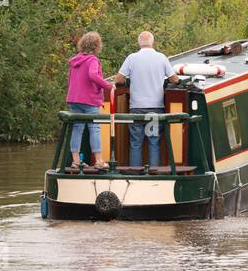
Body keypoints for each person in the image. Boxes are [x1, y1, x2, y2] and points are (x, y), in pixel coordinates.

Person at [113, 31, 178, 169]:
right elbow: (174, 79)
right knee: (154, 142)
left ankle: (135, 173)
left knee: (136, 142)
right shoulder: (161, 58)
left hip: (136, 108)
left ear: (139, 43)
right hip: (155, 108)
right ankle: (154, 173)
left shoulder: (132, 58)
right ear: (152, 42)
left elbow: (118, 79)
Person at [66, 31, 115, 171]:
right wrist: (108, 86)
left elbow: (70, 80)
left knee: (77, 129)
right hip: (89, 99)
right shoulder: (92, 60)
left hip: (74, 99)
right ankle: (99, 160)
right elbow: (93, 75)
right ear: (97, 46)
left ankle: (75, 161)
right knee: (94, 128)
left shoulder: (75, 61)